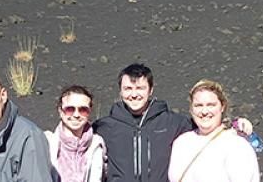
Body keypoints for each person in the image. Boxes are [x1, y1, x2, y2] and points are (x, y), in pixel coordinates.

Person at [93, 64, 252, 182]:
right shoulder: (104, 126)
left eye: (140, 88)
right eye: (128, 88)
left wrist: (237, 124)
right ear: (120, 91)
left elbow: (207, 124)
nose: (134, 94)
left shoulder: (173, 122)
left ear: (151, 90)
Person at [167, 79, 260, 182]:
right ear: (191, 109)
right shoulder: (181, 143)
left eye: (211, 105)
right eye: (198, 105)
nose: (204, 111)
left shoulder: (237, 146)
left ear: (222, 107)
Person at [44, 85, 106, 182]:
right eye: (70, 109)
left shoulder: (97, 145)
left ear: (89, 112)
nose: (76, 115)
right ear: (60, 111)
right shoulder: (46, 143)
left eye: (83, 110)